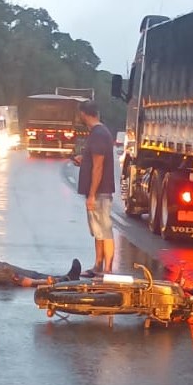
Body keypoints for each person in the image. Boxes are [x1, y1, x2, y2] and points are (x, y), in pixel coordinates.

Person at [72, 100, 116, 278]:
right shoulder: (99, 132)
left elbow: (99, 166)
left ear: (83, 113)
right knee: (98, 231)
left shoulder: (98, 133)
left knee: (104, 230)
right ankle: (98, 266)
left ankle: (107, 270)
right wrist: (84, 159)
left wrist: (91, 195)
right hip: (98, 191)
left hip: (100, 192)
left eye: (79, 114)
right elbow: (94, 161)